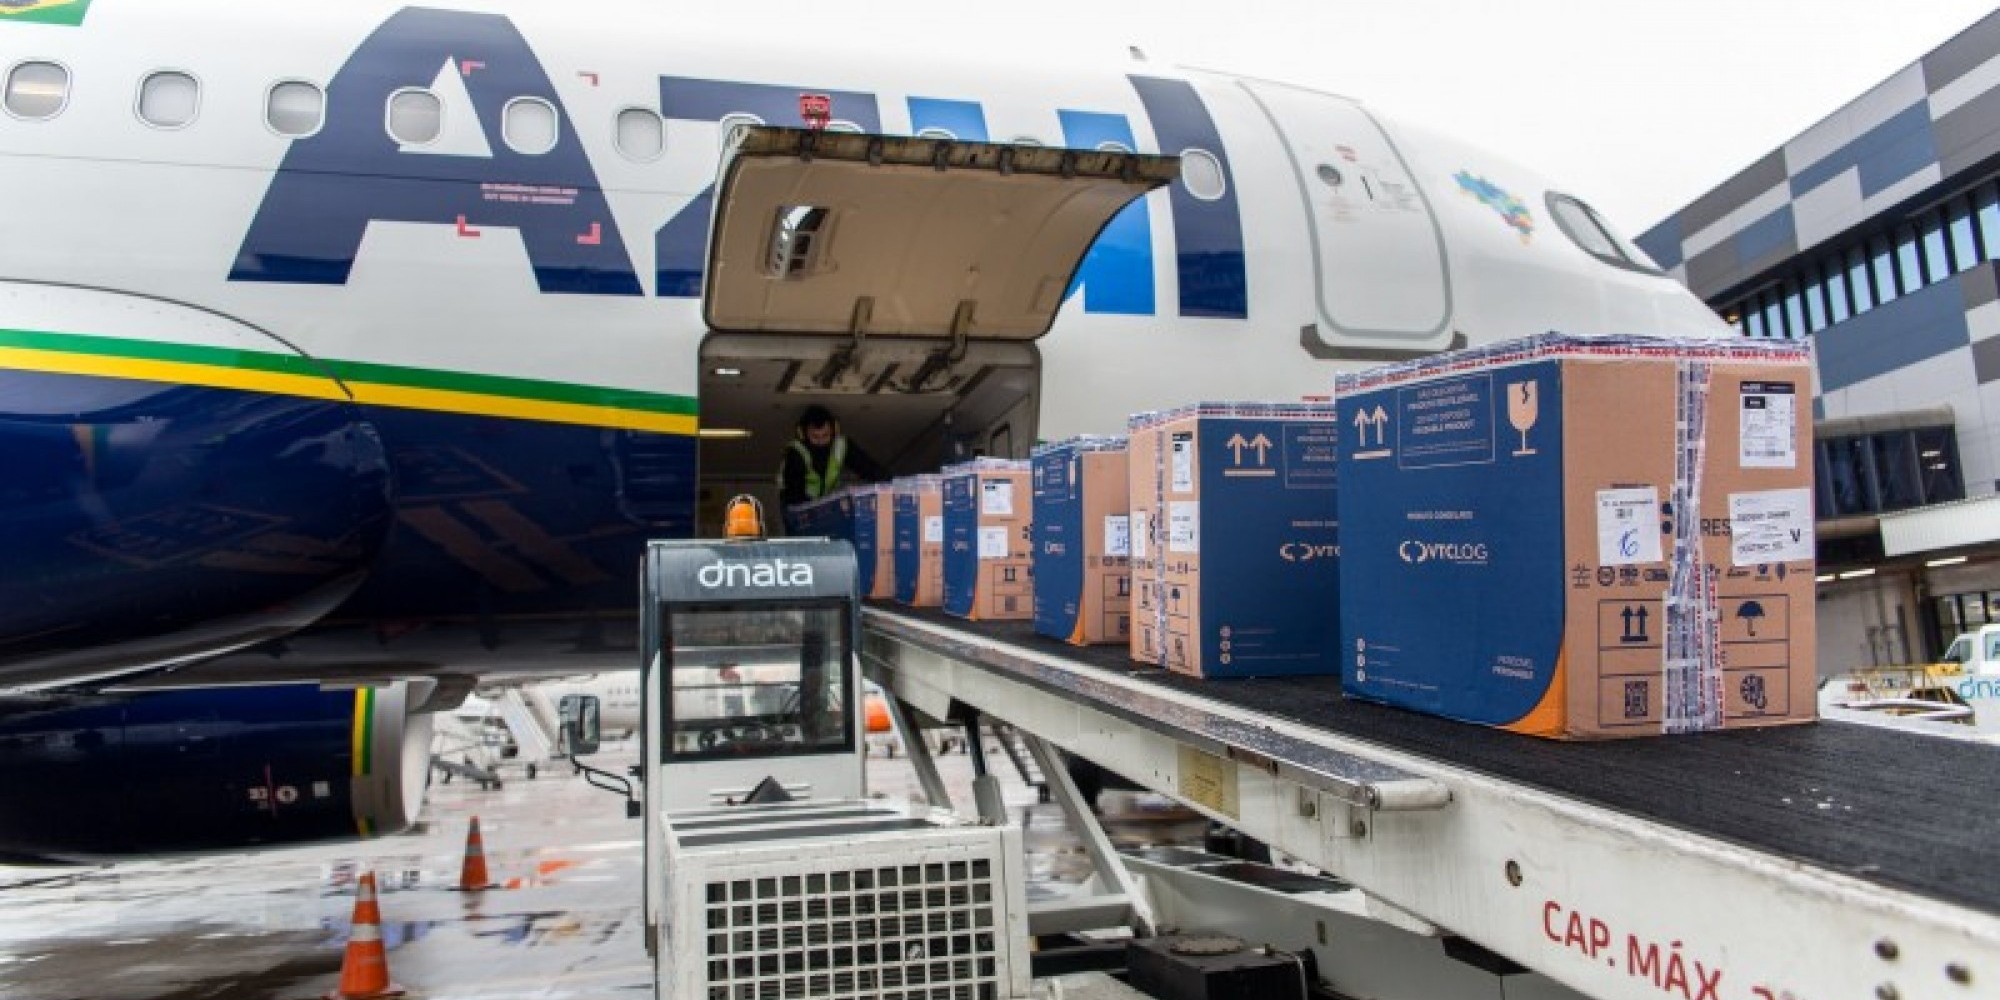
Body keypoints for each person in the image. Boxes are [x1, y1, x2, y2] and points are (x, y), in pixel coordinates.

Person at [777, 405, 884, 529]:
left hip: (823, 503)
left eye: (825, 435)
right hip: (795, 504)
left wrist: (895, 485)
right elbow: (794, 492)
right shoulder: (796, 452)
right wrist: (812, 513)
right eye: (815, 437)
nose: (821, 441)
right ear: (803, 434)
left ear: (834, 431)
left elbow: (870, 468)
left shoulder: (842, 445)